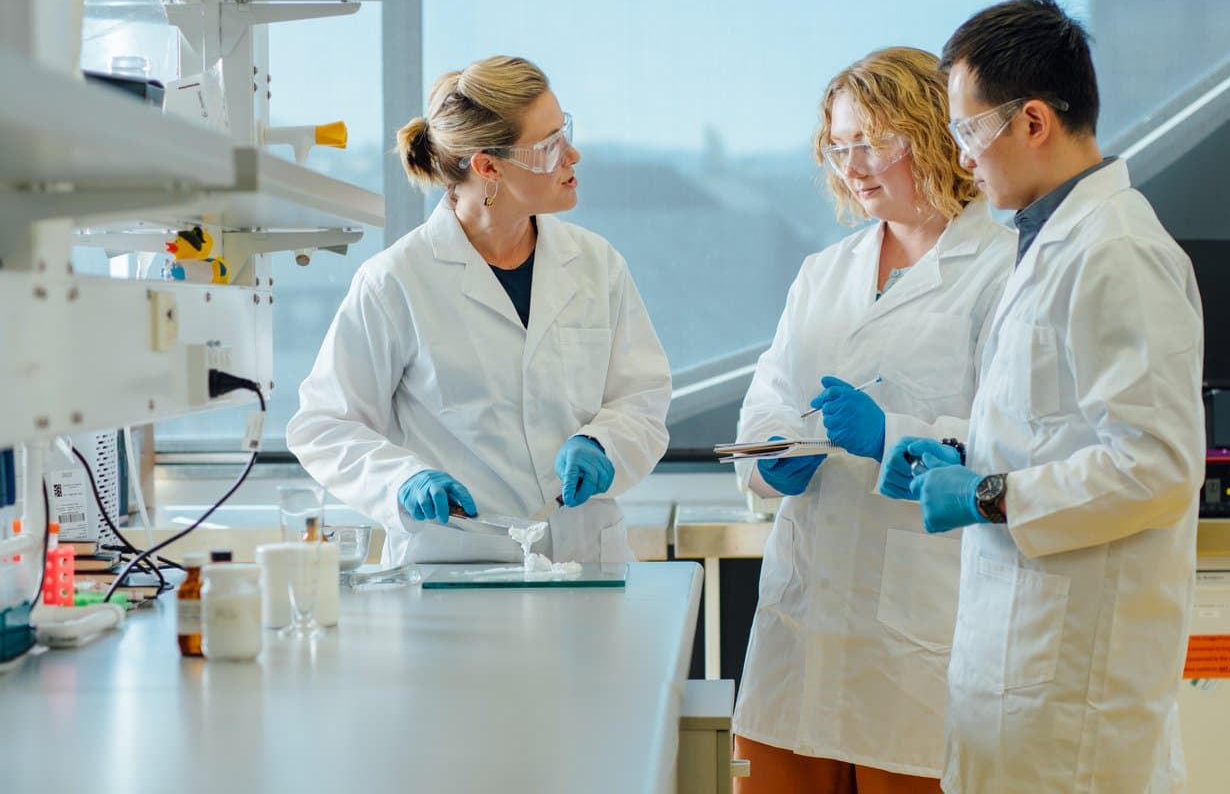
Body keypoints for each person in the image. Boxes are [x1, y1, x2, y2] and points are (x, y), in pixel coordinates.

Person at [877, 0, 1205, 792]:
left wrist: (987, 493)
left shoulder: (1117, 251)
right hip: (1023, 681)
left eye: (966, 132)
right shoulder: (1047, 240)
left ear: (1030, 122)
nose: (961, 160)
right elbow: (1053, 428)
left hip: (1075, 705)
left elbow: (1157, 467)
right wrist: (960, 457)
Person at [730, 47, 1015, 793]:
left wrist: (888, 434)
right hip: (801, 627)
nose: (852, 165)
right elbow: (768, 395)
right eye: (838, 145)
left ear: (933, 134)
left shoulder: (1005, 268)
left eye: (872, 142)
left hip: (918, 634)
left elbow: (1015, 442)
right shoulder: (824, 273)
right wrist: (769, 455)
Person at [286, 57, 670, 566]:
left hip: (585, 568)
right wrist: (403, 480)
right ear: (488, 167)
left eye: (566, 132)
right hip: (454, 571)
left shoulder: (597, 265)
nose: (572, 154)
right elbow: (324, 424)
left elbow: (641, 397)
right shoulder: (396, 281)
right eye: (550, 144)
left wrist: (604, 445)